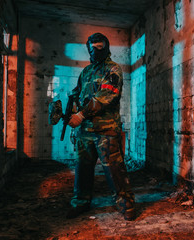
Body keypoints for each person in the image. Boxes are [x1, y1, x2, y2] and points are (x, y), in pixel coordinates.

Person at [66, 33, 135, 221]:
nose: (95, 50)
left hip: (106, 131)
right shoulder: (86, 72)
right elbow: (77, 93)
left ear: (106, 47)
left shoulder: (113, 69)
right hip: (84, 132)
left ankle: (125, 205)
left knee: (115, 170)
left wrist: (80, 115)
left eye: (99, 46)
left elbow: (106, 96)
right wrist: (69, 109)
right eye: (92, 47)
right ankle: (80, 202)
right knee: (82, 170)